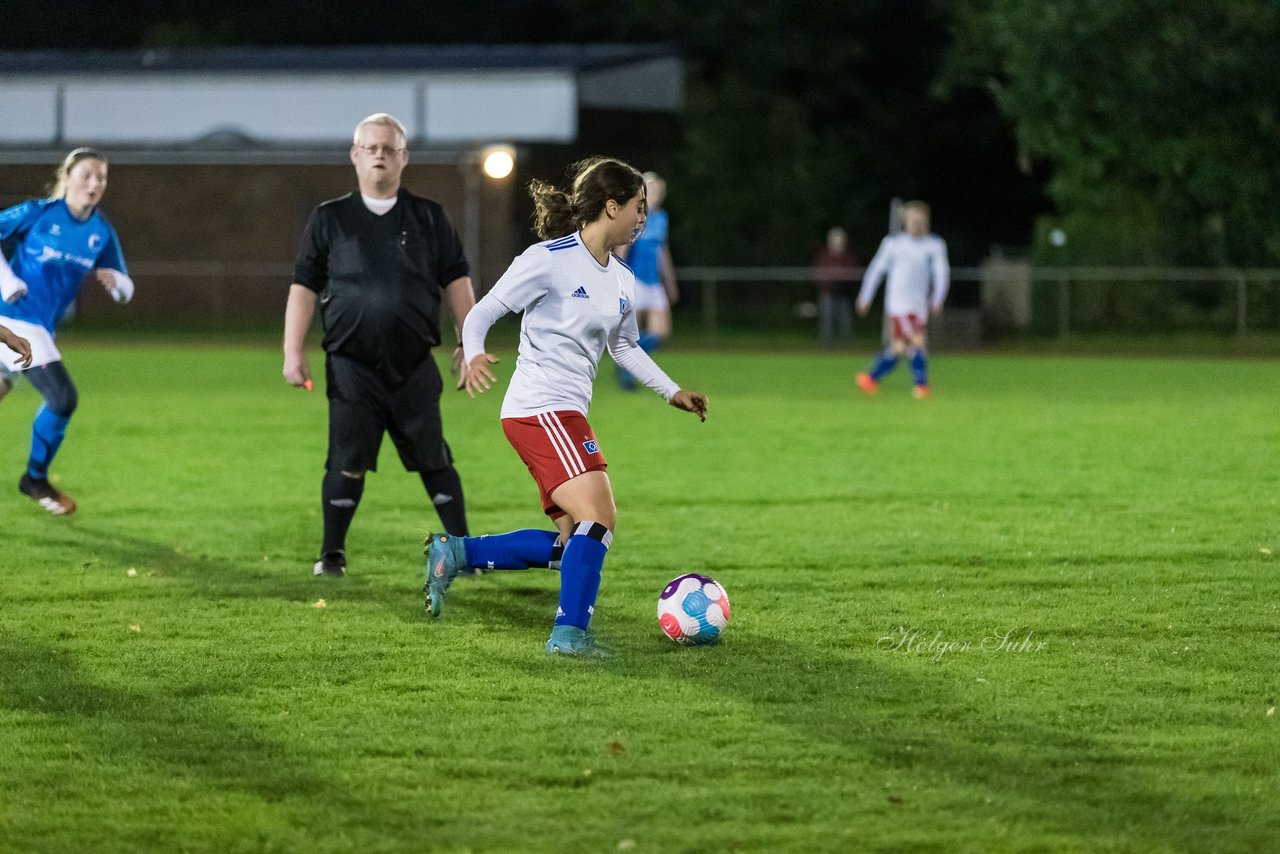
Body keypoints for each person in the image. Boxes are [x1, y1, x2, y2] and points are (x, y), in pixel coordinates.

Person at [425, 156, 709, 657]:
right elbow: (483, 311)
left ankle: (457, 554)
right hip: (539, 408)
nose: (642, 219)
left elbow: (624, 348)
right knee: (600, 517)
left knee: (578, 543)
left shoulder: (620, 278)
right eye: (637, 208)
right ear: (611, 206)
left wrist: (672, 391)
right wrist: (472, 353)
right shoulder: (548, 260)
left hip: (563, 413)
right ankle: (568, 637)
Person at [283, 113, 476, 578]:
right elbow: (304, 285)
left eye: (388, 148)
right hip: (351, 365)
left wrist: (470, 340)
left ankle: (467, 554)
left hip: (413, 363)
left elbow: (456, 278)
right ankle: (332, 554)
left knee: (434, 459)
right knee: (346, 461)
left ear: (404, 157)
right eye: (370, 148)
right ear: (355, 155)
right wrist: (293, 350)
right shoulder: (330, 218)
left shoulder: (428, 216)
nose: (379, 155)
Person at [0, 147, 134, 515]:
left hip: (38, 328)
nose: (94, 184)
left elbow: (125, 287)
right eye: (87, 175)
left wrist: (118, 285)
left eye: (101, 178)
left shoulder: (101, 231)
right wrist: (7, 278)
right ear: (68, 177)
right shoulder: (39, 213)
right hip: (14, 320)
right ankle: (35, 479)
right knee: (63, 398)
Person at [854, 200, 950, 398]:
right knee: (917, 341)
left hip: (919, 305)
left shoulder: (934, 245)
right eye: (912, 219)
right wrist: (865, 296)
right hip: (899, 305)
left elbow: (941, 273)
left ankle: (870, 379)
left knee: (898, 348)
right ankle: (921, 387)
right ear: (905, 221)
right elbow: (876, 270)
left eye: (920, 220)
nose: (916, 224)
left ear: (927, 221)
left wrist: (938, 298)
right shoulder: (893, 244)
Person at [614, 171, 678, 389]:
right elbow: (622, 248)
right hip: (636, 280)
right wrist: (617, 278)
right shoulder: (635, 216)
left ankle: (626, 363)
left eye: (659, 190)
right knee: (634, 331)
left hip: (654, 282)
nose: (656, 194)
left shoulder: (661, 218)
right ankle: (628, 368)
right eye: (652, 190)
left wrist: (670, 282)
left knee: (661, 333)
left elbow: (662, 252)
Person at [812, 226, 859, 347]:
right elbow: (819, 275)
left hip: (844, 295)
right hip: (828, 295)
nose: (838, 243)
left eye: (840, 240)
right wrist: (831, 284)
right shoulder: (824, 257)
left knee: (845, 324)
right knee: (826, 324)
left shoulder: (848, 257)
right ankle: (825, 349)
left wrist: (843, 282)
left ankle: (845, 349)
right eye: (835, 240)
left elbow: (852, 274)